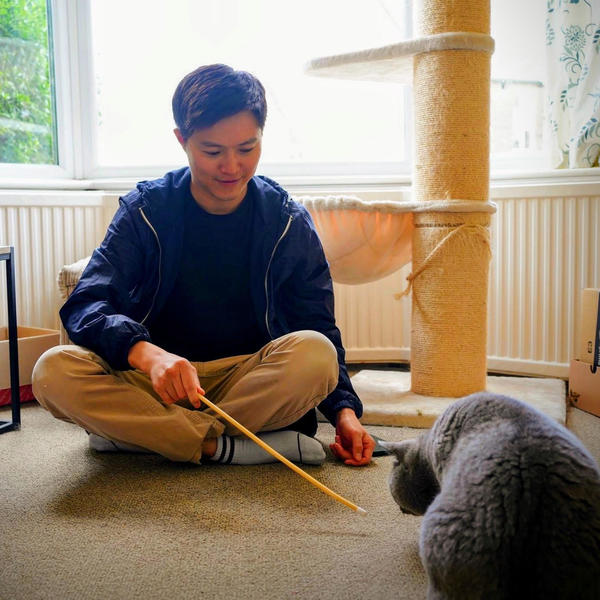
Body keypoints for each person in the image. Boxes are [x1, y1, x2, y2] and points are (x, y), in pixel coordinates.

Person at [32, 64, 375, 467]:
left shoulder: (286, 220)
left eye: (247, 149)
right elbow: (86, 304)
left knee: (316, 355)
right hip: (155, 381)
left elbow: (318, 324)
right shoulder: (145, 210)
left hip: (246, 377)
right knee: (51, 371)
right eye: (213, 151)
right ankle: (229, 447)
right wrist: (148, 355)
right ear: (182, 140)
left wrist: (345, 415)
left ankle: (145, 436)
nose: (231, 167)